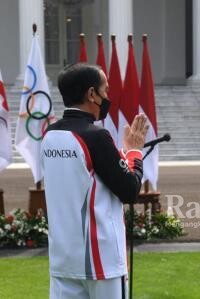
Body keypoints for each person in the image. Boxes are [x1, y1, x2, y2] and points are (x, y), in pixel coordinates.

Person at [41, 63, 148, 299]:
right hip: (102, 261)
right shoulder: (96, 135)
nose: (107, 97)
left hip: (63, 258)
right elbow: (129, 189)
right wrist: (134, 152)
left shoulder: (49, 135)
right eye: (105, 90)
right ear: (92, 94)